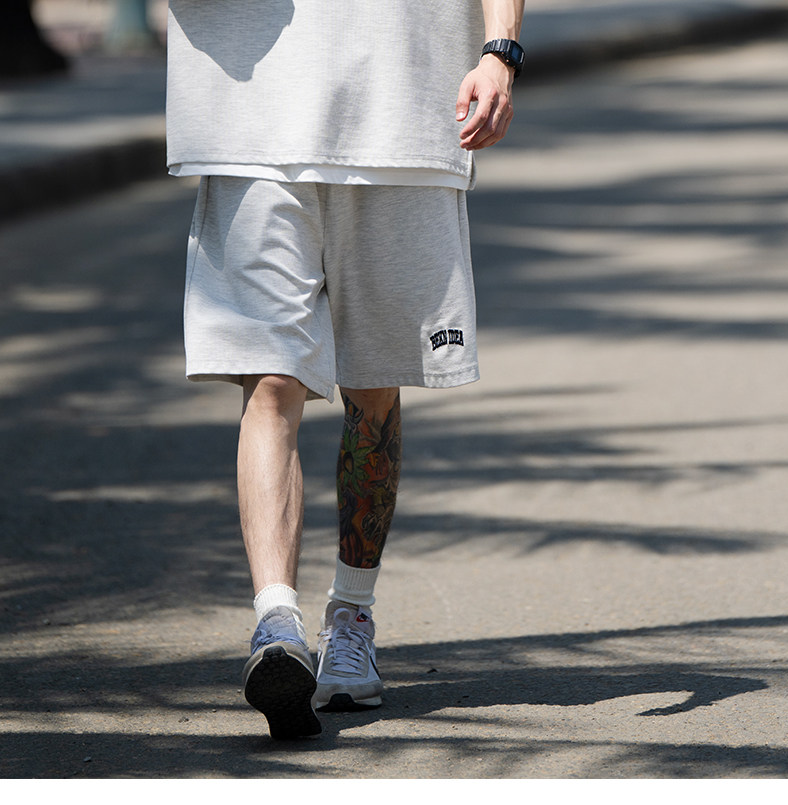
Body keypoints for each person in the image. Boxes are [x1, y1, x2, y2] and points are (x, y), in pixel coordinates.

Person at [166, 0, 526, 739]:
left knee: (373, 387)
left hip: (402, 117)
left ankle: (351, 616)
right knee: (271, 379)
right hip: (252, 123)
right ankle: (276, 622)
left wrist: (500, 52)